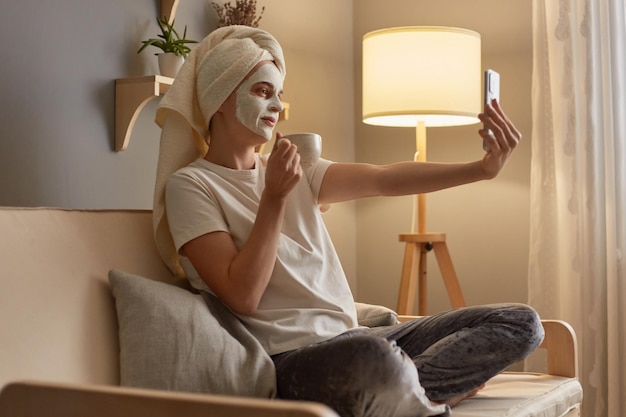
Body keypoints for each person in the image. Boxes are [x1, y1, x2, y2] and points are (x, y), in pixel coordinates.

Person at [152, 26, 544, 417]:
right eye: (262, 91)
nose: (277, 106)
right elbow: (243, 295)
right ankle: (423, 392)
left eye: (279, 95)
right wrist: (273, 198)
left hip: (356, 337)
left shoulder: (294, 168)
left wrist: (481, 169)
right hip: (294, 359)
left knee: (521, 323)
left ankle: (409, 390)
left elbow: (383, 178)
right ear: (219, 99)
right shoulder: (191, 186)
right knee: (372, 357)